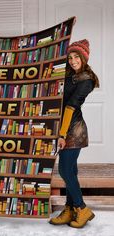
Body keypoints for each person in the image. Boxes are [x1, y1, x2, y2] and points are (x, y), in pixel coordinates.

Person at [49, 39, 99, 228]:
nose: (72, 60)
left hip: (74, 130)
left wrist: (62, 135)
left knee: (64, 170)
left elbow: (71, 106)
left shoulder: (86, 80)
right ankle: (70, 209)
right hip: (64, 127)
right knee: (71, 171)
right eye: (70, 57)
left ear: (84, 58)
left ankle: (82, 208)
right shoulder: (70, 75)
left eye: (76, 56)